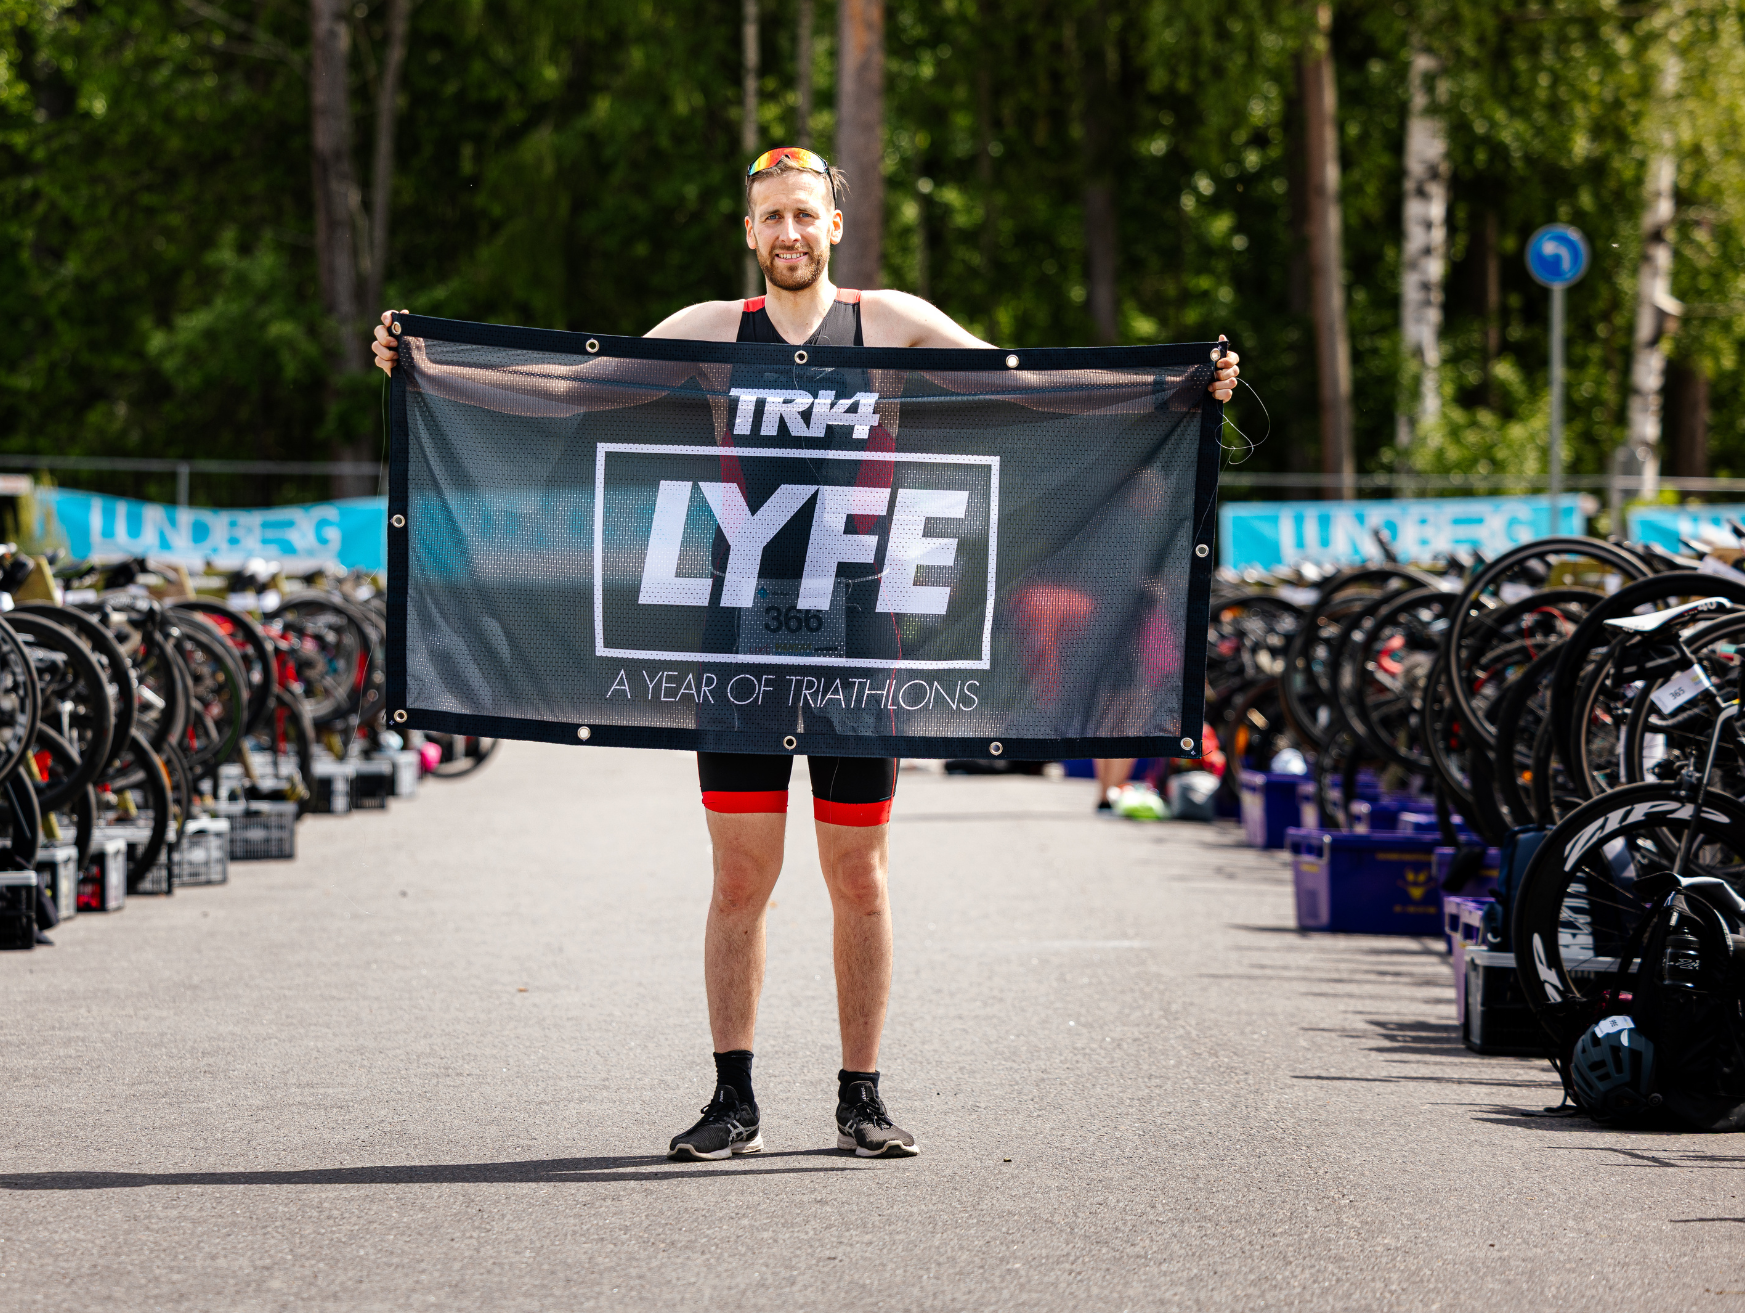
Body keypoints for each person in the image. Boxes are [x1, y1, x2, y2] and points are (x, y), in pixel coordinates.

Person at [371, 146, 1244, 1162]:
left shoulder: (891, 325)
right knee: (741, 878)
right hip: (739, 633)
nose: (788, 234)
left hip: (861, 639)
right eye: (769, 219)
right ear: (750, 234)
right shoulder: (709, 331)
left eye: (804, 215)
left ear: (836, 224)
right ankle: (732, 1099)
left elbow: (1035, 383)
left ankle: (861, 1098)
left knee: (859, 876)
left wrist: (1180, 384)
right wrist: (426, 364)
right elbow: (567, 392)